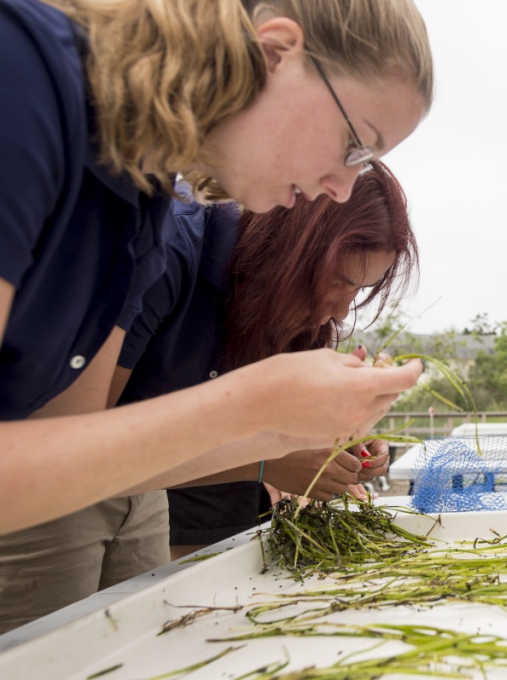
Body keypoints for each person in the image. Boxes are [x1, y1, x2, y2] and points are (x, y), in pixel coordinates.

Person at [0, 0, 432, 536]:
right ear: (274, 53)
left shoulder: (143, 195)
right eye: (354, 145)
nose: (341, 189)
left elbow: (71, 447)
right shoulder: (22, 75)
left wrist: (284, 436)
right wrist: (252, 405)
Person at [0, 164, 417, 632]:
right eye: (338, 280)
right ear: (293, 245)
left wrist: (332, 447)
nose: (341, 308)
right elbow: (77, 449)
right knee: (48, 650)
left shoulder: (292, 305)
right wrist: (266, 462)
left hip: (148, 490)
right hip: (44, 484)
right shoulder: (171, 246)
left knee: (142, 642)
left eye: (359, 289)